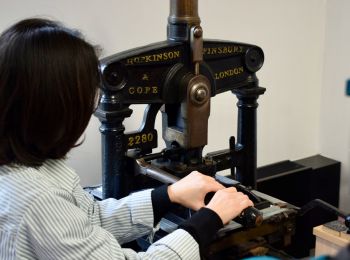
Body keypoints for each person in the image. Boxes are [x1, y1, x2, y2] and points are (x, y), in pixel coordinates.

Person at [0, 18, 254, 259]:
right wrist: (208, 220)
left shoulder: (24, 166)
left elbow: (89, 219)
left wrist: (168, 195)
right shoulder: (37, 201)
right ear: (56, 110)